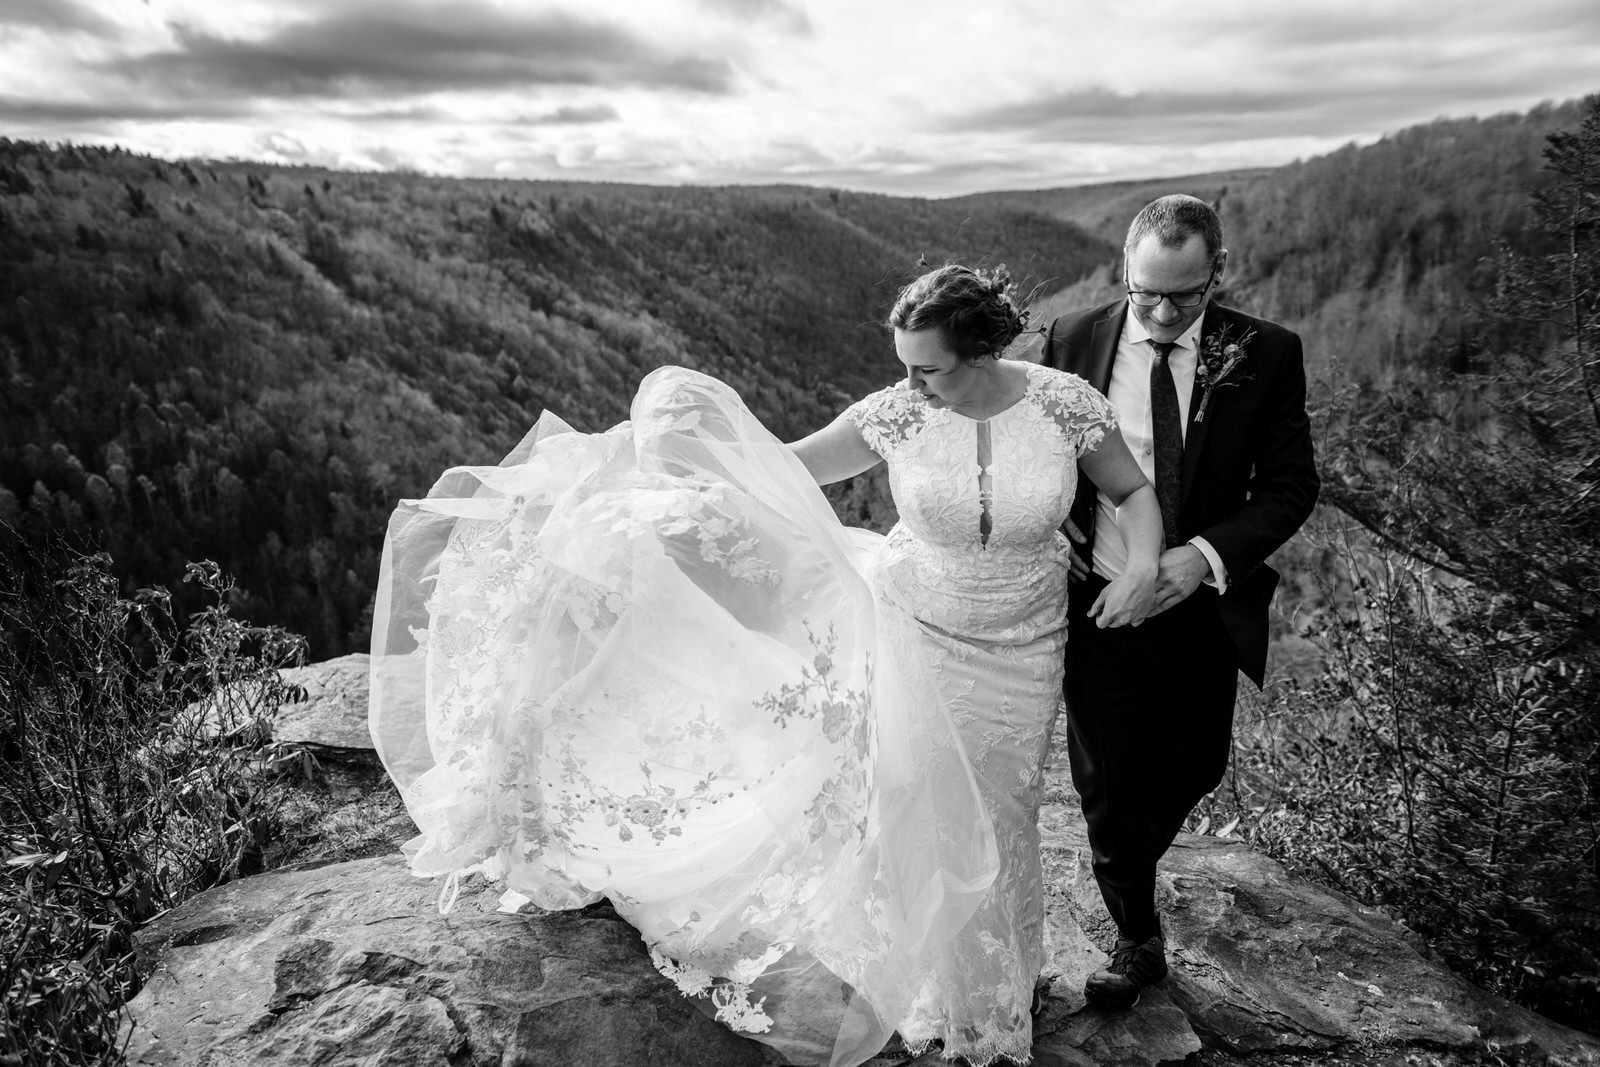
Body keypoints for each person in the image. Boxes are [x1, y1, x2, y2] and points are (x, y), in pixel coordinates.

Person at [369, 263, 1164, 1067]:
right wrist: (660, 477)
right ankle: (952, 997)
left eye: (927, 368)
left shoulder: (1064, 403)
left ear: (984, 350)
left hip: (1028, 639)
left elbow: (1133, 494)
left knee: (1006, 807)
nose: (910, 383)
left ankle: (1007, 975)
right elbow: (781, 468)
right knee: (924, 800)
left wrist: (1139, 564)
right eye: (903, 366)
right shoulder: (897, 413)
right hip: (916, 624)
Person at [1040, 195, 1319, 1010]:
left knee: (1197, 763)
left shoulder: (1266, 353)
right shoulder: (1072, 339)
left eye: (1184, 296)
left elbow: (1291, 485)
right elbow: (1043, 455)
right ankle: (1137, 933)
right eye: (1145, 293)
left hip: (1199, 607)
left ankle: (1134, 854)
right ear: (1125, 273)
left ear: (1216, 277)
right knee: (1108, 780)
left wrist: (1201, 558)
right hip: (1098, 603)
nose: (1162, 314)